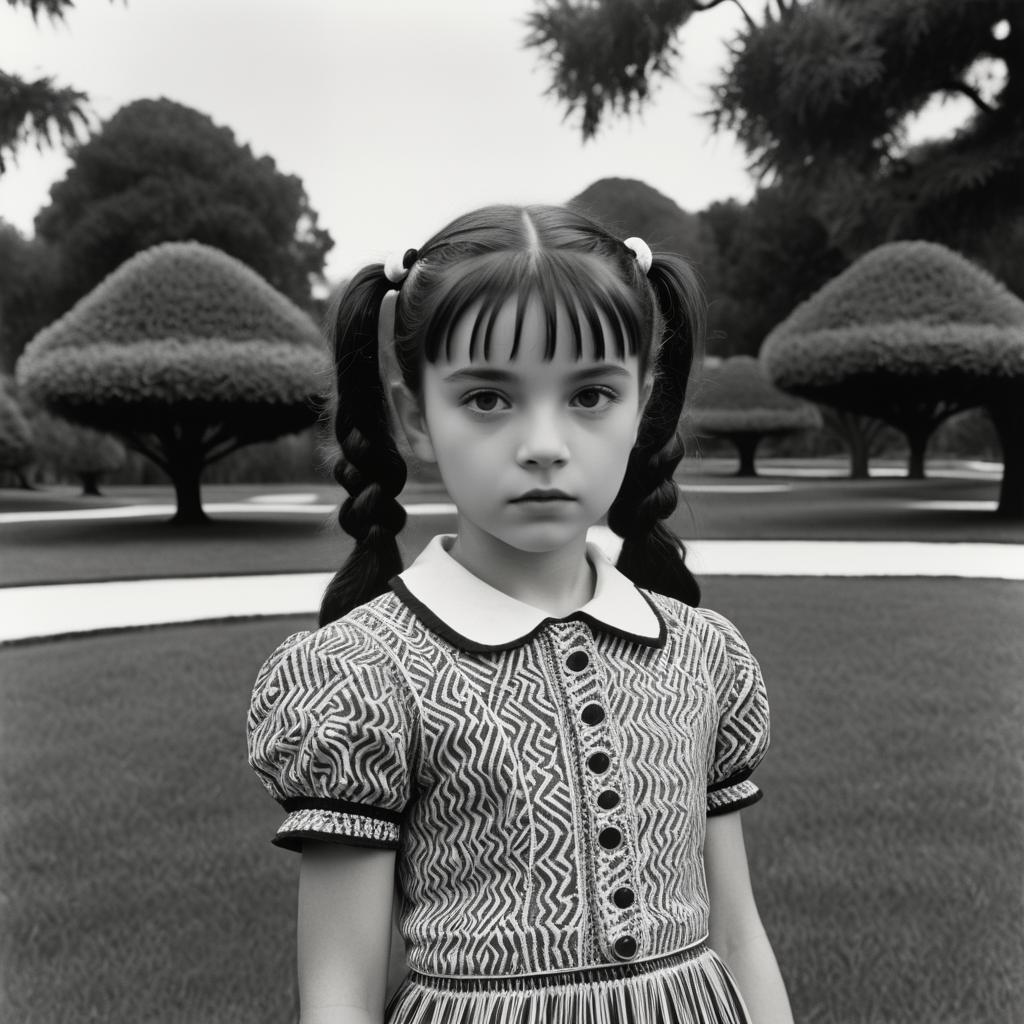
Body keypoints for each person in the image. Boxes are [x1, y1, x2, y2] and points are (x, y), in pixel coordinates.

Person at [247, 204, 794, 1024]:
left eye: (591, 394)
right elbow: (338, 993)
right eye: (490, 398)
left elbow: (739, 934)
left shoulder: (699, 655)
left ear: (644, 404)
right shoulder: (365, 676)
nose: (544, 442)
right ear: (412, 416)